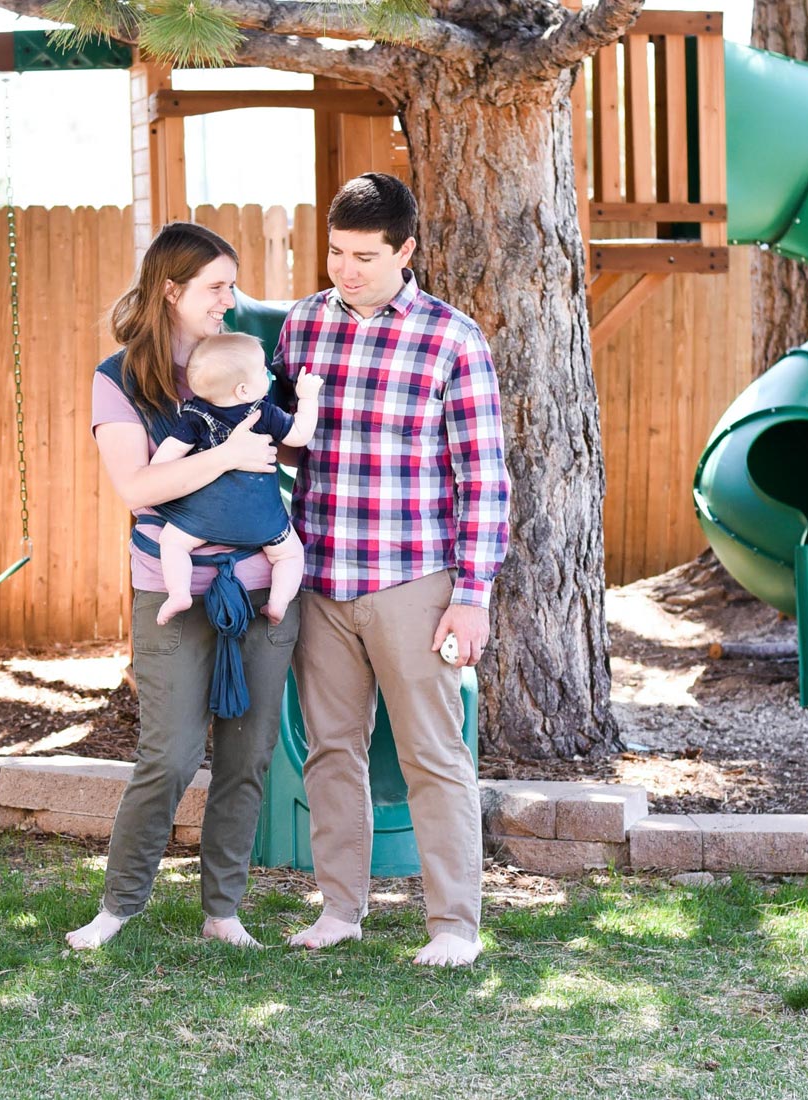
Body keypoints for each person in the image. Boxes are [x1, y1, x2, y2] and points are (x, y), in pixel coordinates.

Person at [274, 173, 510, 967]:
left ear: (407, 251)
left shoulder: (453, 338)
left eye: (365, 256)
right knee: (330, 750)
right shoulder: (303, 325)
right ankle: (340, 909)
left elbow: (483, 478)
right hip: (322, 579)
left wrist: (471, 596)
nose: (345, 270)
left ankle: (454, 926)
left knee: (433, 757)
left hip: (415, 583)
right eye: (336, 252)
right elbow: (281, 439)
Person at [66, 222, 297, 951]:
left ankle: (223, 911)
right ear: (171, 291)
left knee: (247, 754)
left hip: (263, 588)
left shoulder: (244, 360)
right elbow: (138, 488)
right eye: (216, 288)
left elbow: (288, 438)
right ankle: (119, 904)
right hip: (172, 586)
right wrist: (227, 454)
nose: (230, 301)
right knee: (166, 757)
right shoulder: (121, 379)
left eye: (232, 286)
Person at [149, 332, 324, 626]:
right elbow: (300, 435)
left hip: (205, 518)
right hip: (264, 522)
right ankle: (279, 603)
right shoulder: (264, 413)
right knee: (289, 556)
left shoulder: (195, 415)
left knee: (171, 541)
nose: (268, 374)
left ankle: (178, 592)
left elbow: (162, 462)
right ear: (243, 390)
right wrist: (307, 397)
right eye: (262, 371)